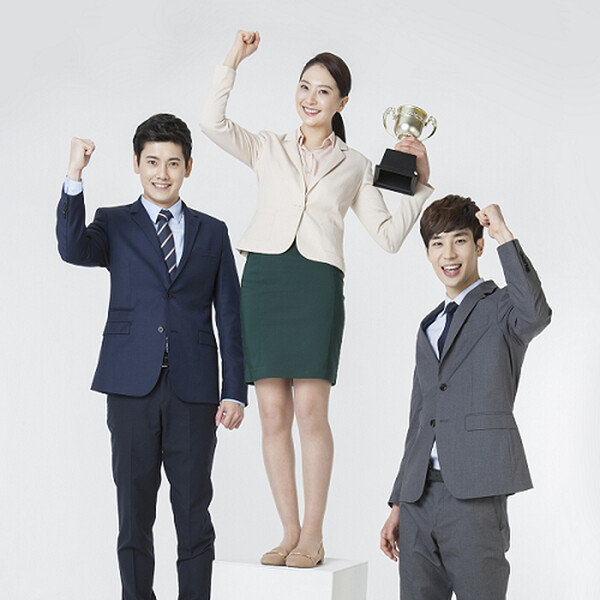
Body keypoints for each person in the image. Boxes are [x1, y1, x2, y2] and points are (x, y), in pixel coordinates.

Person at [200, 30, 434, 568]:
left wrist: (420, 185)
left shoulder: (356, 164)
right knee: (272, 413)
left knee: (310, 413)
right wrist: (234, 58)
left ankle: (313, 535)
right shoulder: (267, 146)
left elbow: (388, 236)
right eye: (304, 87)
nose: (310, 98)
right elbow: (212, 122)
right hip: (264, 279)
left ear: (342, 102)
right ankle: (287, 533)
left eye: (324, 91)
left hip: (316, 285)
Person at [56, 114, 246, 600]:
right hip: (129, 388)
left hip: (194, 392)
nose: (163, 173)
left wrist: (234, 392)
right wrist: (74, 174)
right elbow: (72, 248)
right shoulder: (114, 222)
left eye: (173, 163)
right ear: (137, 165)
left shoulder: (213, 232)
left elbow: (229, 316)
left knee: (194, 515)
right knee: (134, 515)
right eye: (153, 162)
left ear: (188, 167)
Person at [380, 196, 551, 599]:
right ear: (428, 253)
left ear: (479, 246)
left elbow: (536, 314)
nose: (449, 254)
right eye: (437, 243)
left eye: (459, 240)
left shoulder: (503, 308)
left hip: (475, 495)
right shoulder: (429, 326)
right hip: (419, 498)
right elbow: (419, 418)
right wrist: (399, 502)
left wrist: (504, 235)